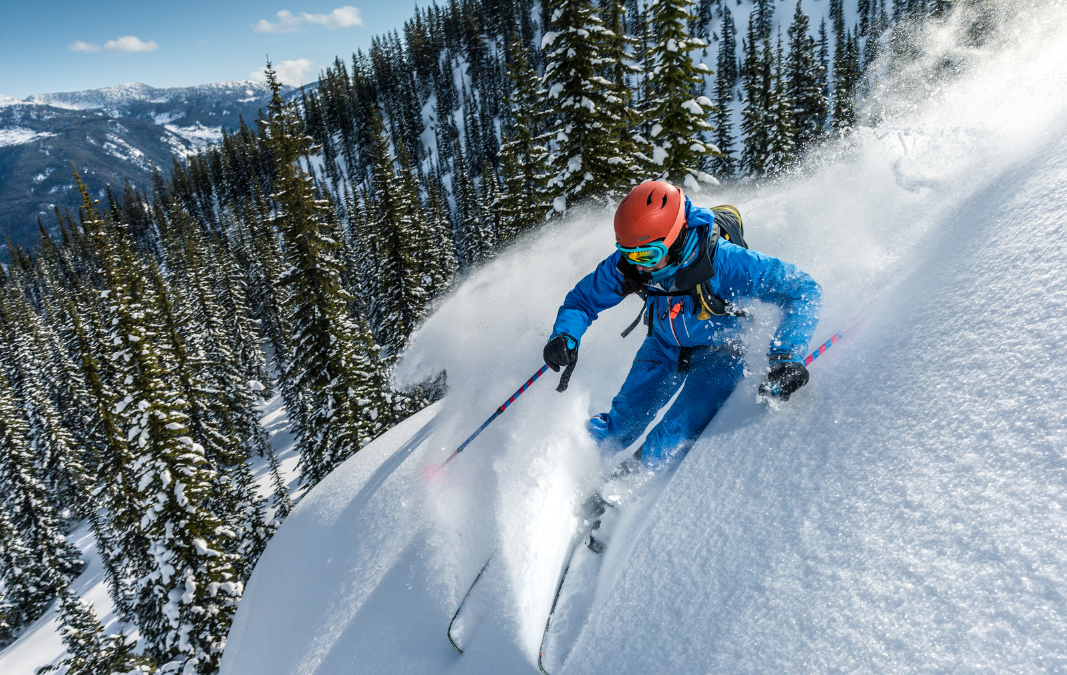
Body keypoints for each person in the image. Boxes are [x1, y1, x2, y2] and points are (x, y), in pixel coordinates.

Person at [543, 181, 821, 473]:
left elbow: (802, 289)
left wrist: (786, 356)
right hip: (663, 346)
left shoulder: (724, 261)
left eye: (645, 256)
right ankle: (562, 469)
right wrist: (565, 334)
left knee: (670, 435)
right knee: (620, 425)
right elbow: (582, 301)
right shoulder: (631, 262)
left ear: (674, 238)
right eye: (627, 253)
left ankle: (617, 494)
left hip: (720, 352)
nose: (638, 266)